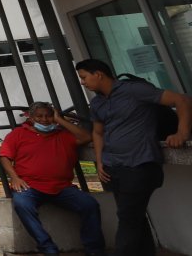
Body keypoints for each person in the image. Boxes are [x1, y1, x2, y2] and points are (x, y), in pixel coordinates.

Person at [77, 58, 192, 256]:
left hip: (139, 165)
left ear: (98, 74)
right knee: (134, 218)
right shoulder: (97, 103)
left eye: (84, 77)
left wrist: (181, 133)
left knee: (128, 219)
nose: (83, 82)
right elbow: (97, 132)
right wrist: (99, 160)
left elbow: (181, 100)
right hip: (113, 167)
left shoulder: (134, 90)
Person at [0, 102, 104, 255]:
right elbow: (5, 156)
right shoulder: (18, 134)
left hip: (62, 188)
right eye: (39, 116)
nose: (44, 120)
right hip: (30, 186)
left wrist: (60, 120)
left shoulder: (63, 134)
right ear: (31, 118)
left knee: (90, 205)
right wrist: (15, 178)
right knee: (22, 204)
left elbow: (86, 137)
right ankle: (48, 248)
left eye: (48, 116)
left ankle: (95, 251)